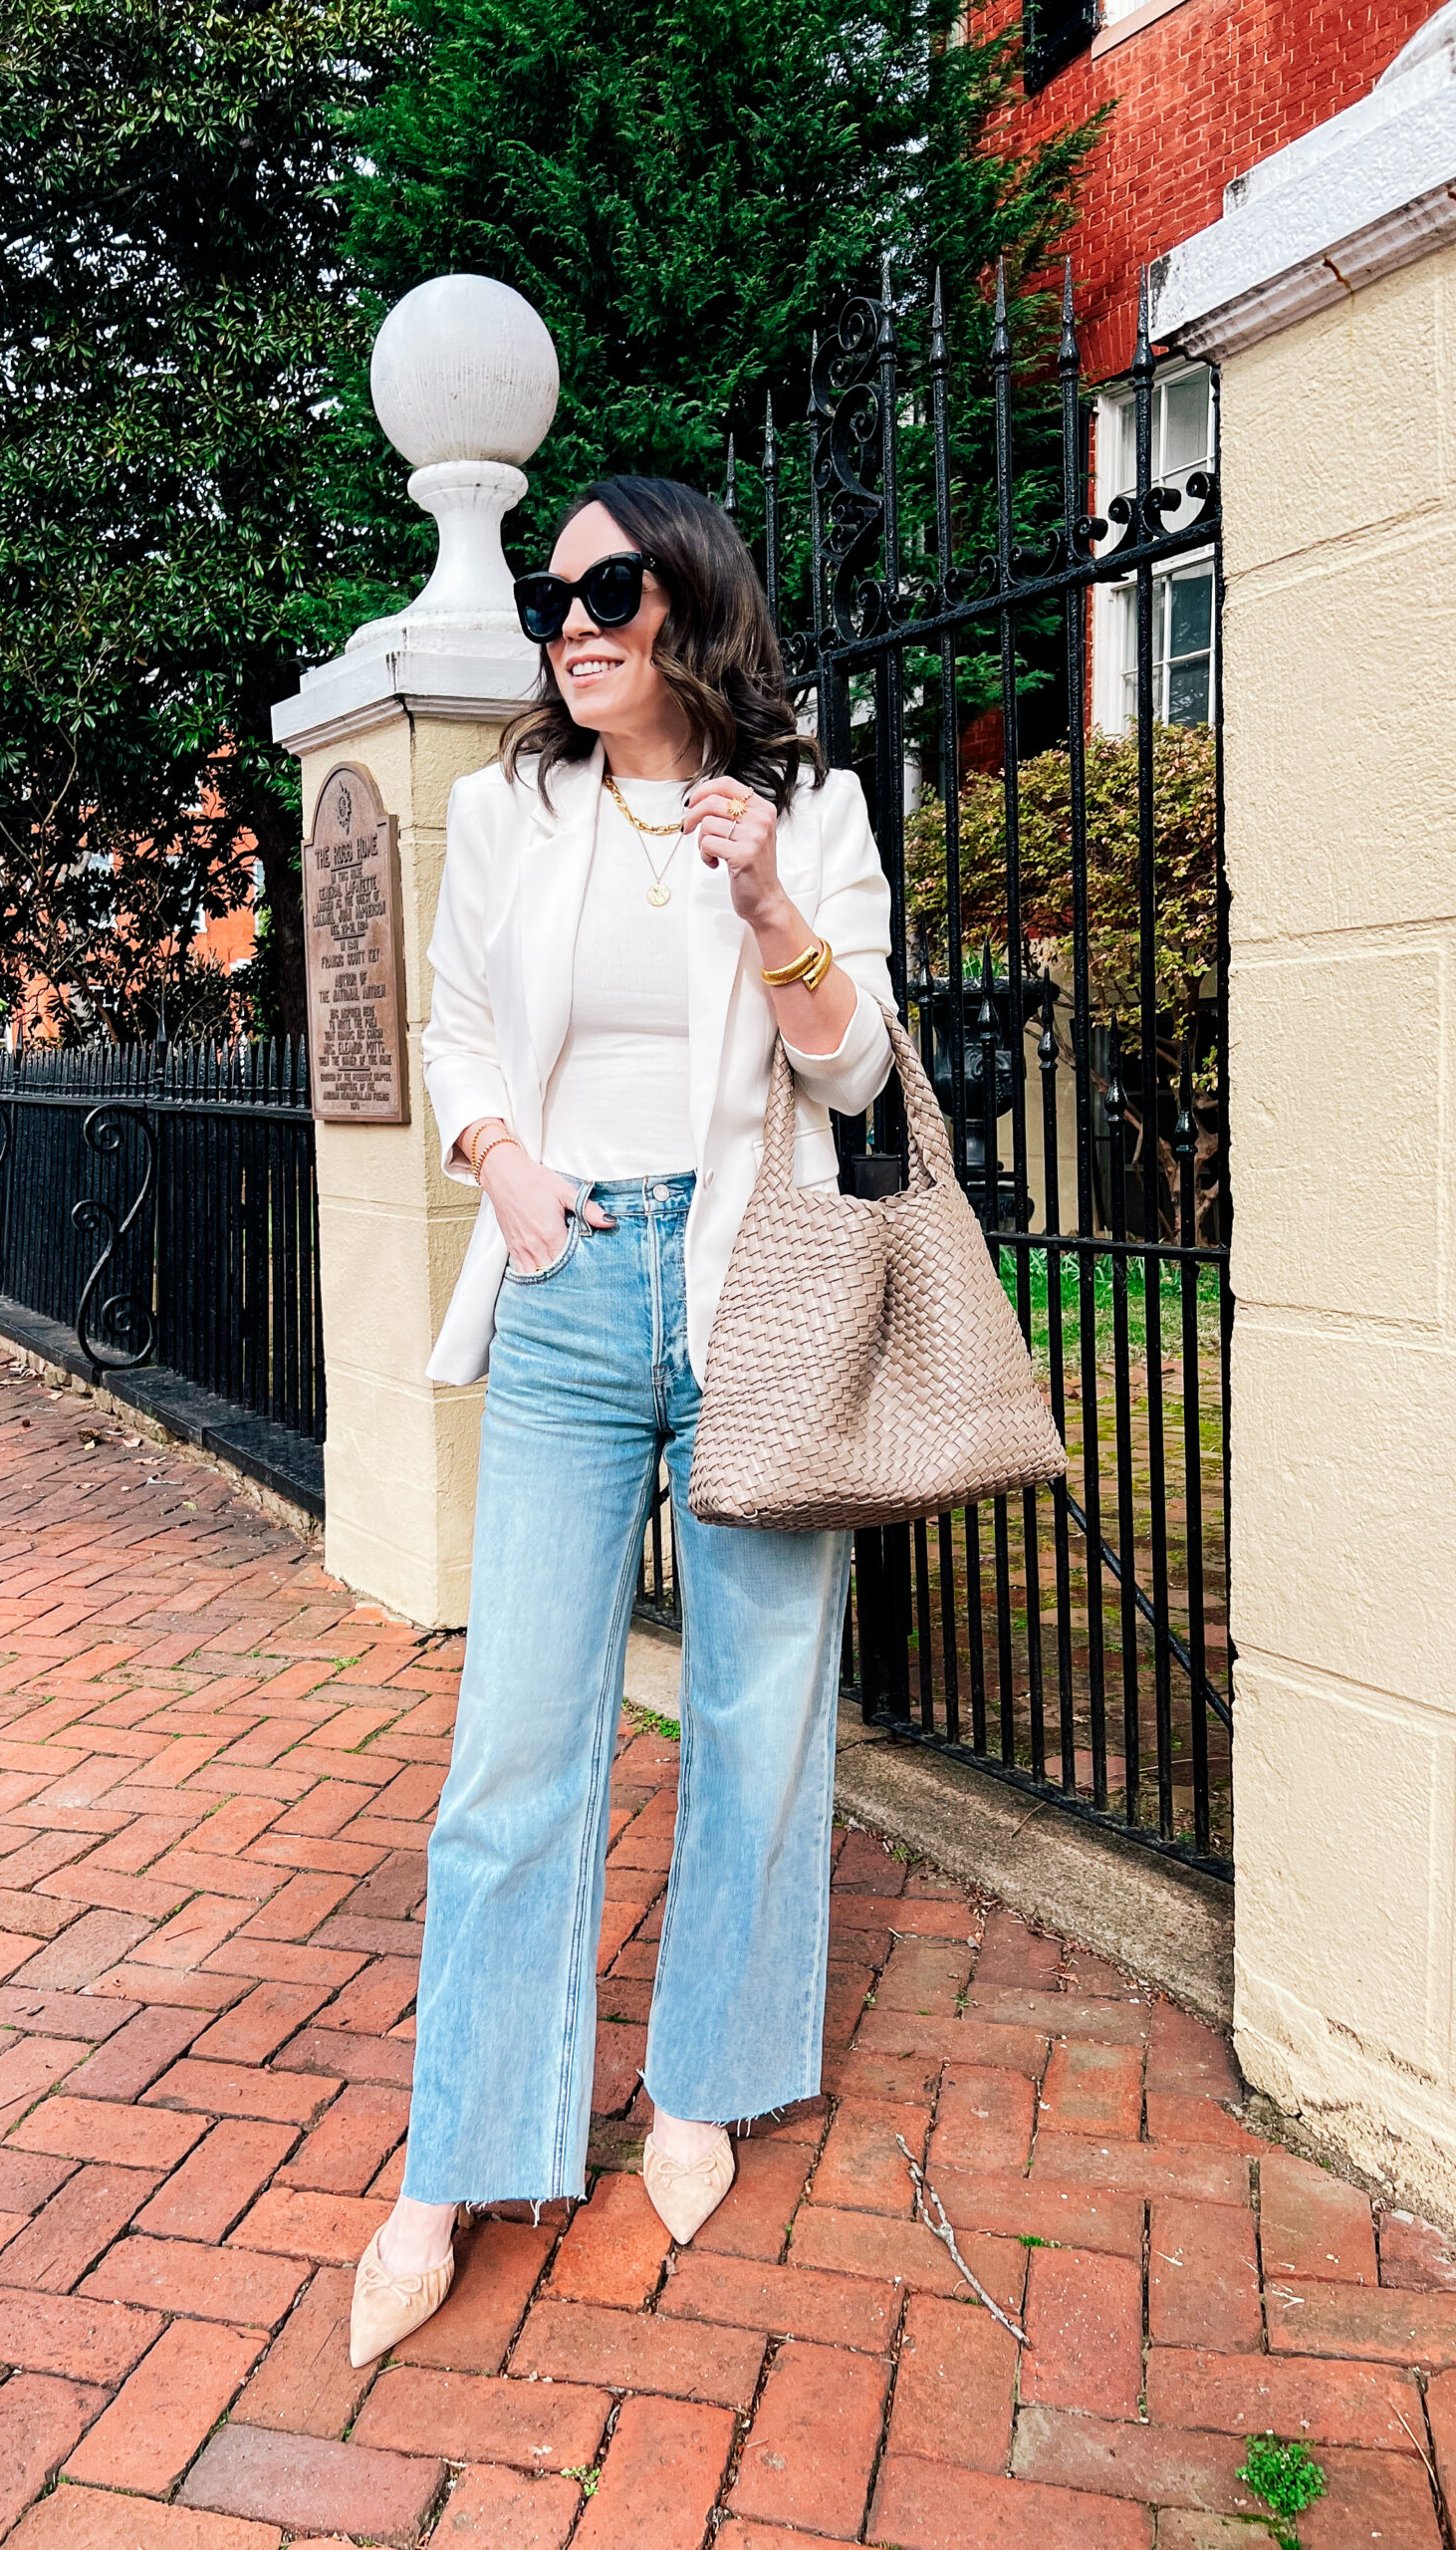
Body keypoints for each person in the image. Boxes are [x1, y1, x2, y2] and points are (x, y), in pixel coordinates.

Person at [350, 473, 895, 2365]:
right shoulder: (511, 809)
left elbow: (856, 1062)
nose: (571, 621)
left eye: (606, 586)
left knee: (754, 1708)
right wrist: (497, 1163)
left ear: (688, 599)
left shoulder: (809, 810)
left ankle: (701, 2080)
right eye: (550, 596)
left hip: (755, 1295)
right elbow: (457, 1031)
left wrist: (762, 898)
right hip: (576, 1282)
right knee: (516, 1742)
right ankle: (463, 2146)